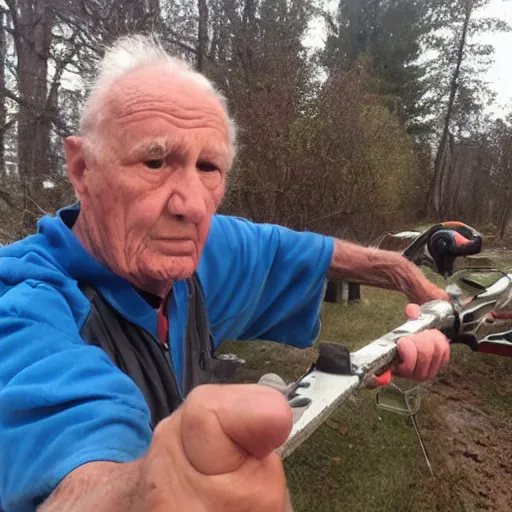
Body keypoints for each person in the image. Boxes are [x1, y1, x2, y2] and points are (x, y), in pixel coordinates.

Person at [0, 35, 450, 512]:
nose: (192, 204)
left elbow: (301, 253)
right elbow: (72, 459)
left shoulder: (192, 256)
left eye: (208, 167)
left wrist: (405, 276)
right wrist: (143, 492)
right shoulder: (25, 304)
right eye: (155, 161)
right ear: (82, 168)